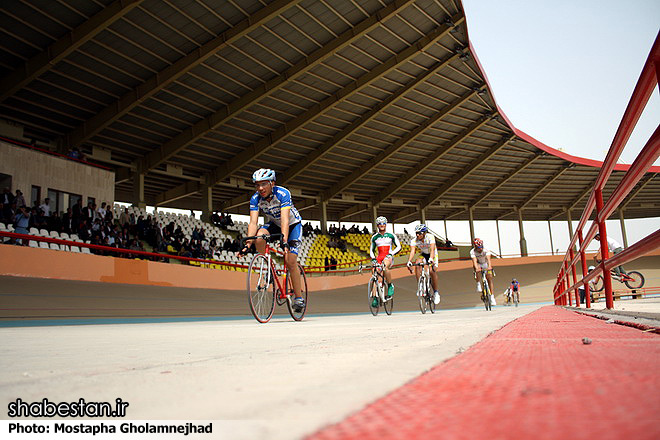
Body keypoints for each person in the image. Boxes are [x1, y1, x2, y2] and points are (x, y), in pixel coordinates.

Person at [240, 168, 305, 312]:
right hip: (275, 224)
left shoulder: (283, 193)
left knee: (290, 260)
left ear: (272, 184)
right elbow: (253, 222)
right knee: (259, 237)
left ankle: (299, 298)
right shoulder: (255, 198)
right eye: (257, 185)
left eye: (263, 184)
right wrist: (248, 243)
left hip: (292, 225)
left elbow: (285, 219)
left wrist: (285, 240)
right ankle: (268, 270)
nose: (260, 188)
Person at [369, 216, 401, 307]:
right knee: (375, 273)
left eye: (383, 223)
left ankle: (390, 285)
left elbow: (399, 247)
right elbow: (371, 250)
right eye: (379, 224)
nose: (381, 225)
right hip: (379, 257)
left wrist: (391, 253)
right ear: (377, 225)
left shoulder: (391, 235)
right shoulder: (374, 237)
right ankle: (375, 297)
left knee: (385, 266)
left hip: (388, 256)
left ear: (386, 224)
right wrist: (373, 258)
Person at [406, 224, 440, 304]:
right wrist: (409, 261)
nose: (417, 235)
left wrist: (431, 259)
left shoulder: (430, 237)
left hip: (433, 255)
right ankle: (420, 286)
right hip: (424, 254)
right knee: (417, 263)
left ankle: (436, 292)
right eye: (416, 233)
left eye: (419, 233)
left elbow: (432, 249)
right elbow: (412, 251)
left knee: (432, 271)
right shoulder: (414, 240)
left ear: (424, 233)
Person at [470, 238, 495, 304]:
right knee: (476, 268)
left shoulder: (486, 249)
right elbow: (474, 261)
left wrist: (489, 266)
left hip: (485, 263)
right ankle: (478, 283)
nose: (480, 249)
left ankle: (492, 297)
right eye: (478, 248)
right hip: (478, 264)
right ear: (475, 247)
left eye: (481, 247)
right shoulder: (472, 252)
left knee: (489, 279)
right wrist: (476, 268)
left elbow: (488, 259)